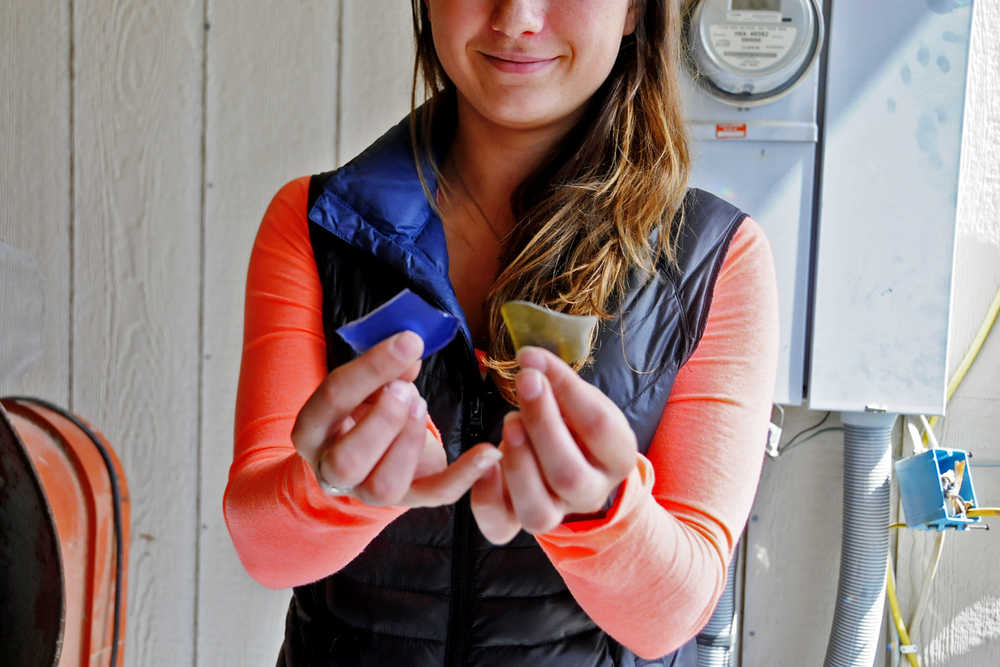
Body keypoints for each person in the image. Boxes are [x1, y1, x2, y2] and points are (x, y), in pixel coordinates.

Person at [224, 1, 778, 665]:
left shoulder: (716, 259)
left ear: (635, 9)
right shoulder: (315, 223)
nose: (516, 18)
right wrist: (332, 489)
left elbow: (673, 615)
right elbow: (264, 549)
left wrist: (600, 510)